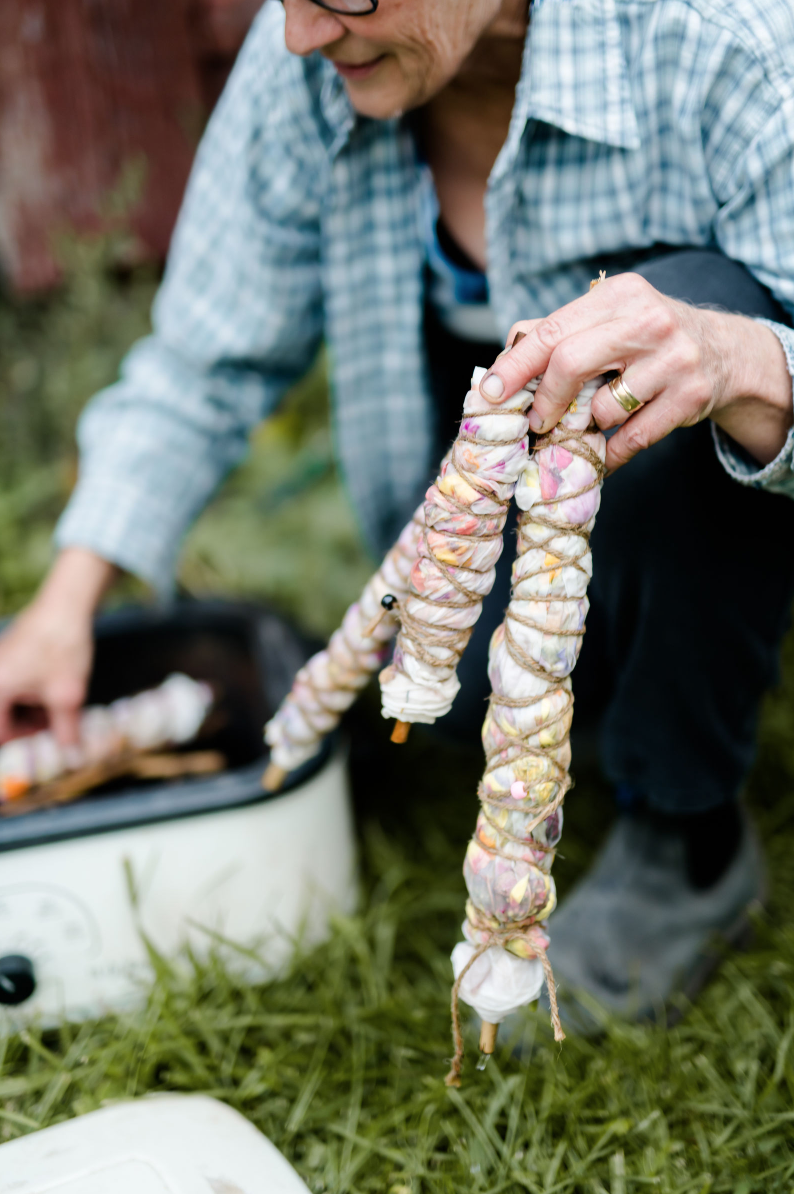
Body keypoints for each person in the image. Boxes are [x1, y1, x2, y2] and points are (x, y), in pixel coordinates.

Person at [2, 0, 794, 1025]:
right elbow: (206, 356)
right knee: (448, 703)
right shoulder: (301, 61)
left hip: (697, 490)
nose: (300, 35)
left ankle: (685, 830)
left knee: (691, 305)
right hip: (476, 523)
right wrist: (63, 608)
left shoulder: (733, 48)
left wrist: (737, 360)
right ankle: (568, 685)